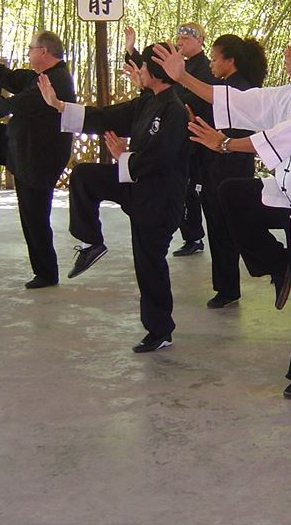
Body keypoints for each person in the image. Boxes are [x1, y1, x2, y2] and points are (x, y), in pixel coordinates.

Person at [152, 24, 291, 399]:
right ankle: (278, 264)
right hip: (290, 197)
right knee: (233, 193)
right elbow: (237, 101)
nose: (285, 51)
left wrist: (227, 144)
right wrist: (182, 76)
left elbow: (285, 137)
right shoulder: (289, 95)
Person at [37, 43, 190, 353]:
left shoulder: (174, 110)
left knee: (149, 264)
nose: (140, 71)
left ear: (156, 72)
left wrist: (124, 155)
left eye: (144, 67)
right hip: (137, 185)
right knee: (84, 176)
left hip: (161, 200)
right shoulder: (147, 102)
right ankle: (91, 241)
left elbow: (161, 157)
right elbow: (106, 116)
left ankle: (160, 330)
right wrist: (60, 106)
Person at [0, 30, 77, 289]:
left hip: (38, 158)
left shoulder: (56, 81)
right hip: (20, 146)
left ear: (44, 52)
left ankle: (46, 273)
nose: (28, 51)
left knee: (34, 217)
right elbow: (10, 78)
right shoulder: (40, 76)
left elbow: (19, 103)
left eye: (31, 48)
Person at [199, 35, 268, 308]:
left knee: (229, 228)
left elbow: (236, 133)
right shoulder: (224, 86)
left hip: (232, 166)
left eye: (215, 59)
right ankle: (226, 286)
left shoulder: (239, 91)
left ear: (231, 61)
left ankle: (231, 287)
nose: (211, 64)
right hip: (216, 165)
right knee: (219, 229)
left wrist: (219, 140)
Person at [170, 22, 217, 257]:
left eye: (186, 40)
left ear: (200, 41)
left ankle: (195, 236)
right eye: (179, 40)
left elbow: (200, 98)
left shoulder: (206, 68)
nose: (180, 43)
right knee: (184, 187)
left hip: (200, 134)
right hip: (184, 133)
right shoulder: (182, 67)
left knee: (193, 187)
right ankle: (191, 235)